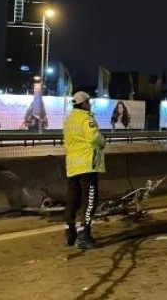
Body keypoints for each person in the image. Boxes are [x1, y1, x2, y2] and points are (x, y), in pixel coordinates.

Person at [63, 91, 106, 249]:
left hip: (72, 165)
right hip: (87, 164)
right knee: (89, 200)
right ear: (84, 104)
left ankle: (70, 232)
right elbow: (94, 137)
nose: (90, 104)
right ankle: (84, 234)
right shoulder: (86, 119)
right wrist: (103, 141)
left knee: (72, 199)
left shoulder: (69, 120)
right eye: (89, 101)